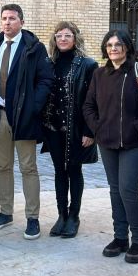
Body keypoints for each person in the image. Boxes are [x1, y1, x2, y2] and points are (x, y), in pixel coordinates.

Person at [84, 30, 138, 263]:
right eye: (109, 45)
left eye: (118, 44)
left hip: (135, 142)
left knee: (128, 189)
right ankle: (120, 238)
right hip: (107, 142)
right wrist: (98, 127)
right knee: (115, 189)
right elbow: (88, 106)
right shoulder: (99, 74)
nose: (113, 48)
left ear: (127, 47)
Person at [0, 4, 53, 240]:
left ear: (21, 21)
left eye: (12, 18)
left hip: (24, 117)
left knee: (28, 167)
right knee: (3, 166)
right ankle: (5, 212)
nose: (7, 22)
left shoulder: (33, 48)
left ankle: (33, 218)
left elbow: (45, 79)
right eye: (4, 18)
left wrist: (33, 107)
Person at [41, 21, 98, 239]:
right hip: (53, 128)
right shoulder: (49, 63)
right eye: (59, 36)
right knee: (58, 171)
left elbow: (93, 101)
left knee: (74, 170)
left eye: (67, 35)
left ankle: (74, 216)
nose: (63, 39)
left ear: (75, 38)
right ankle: (61, 215)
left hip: (76, 129)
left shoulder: (88, 65)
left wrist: (90, 131)